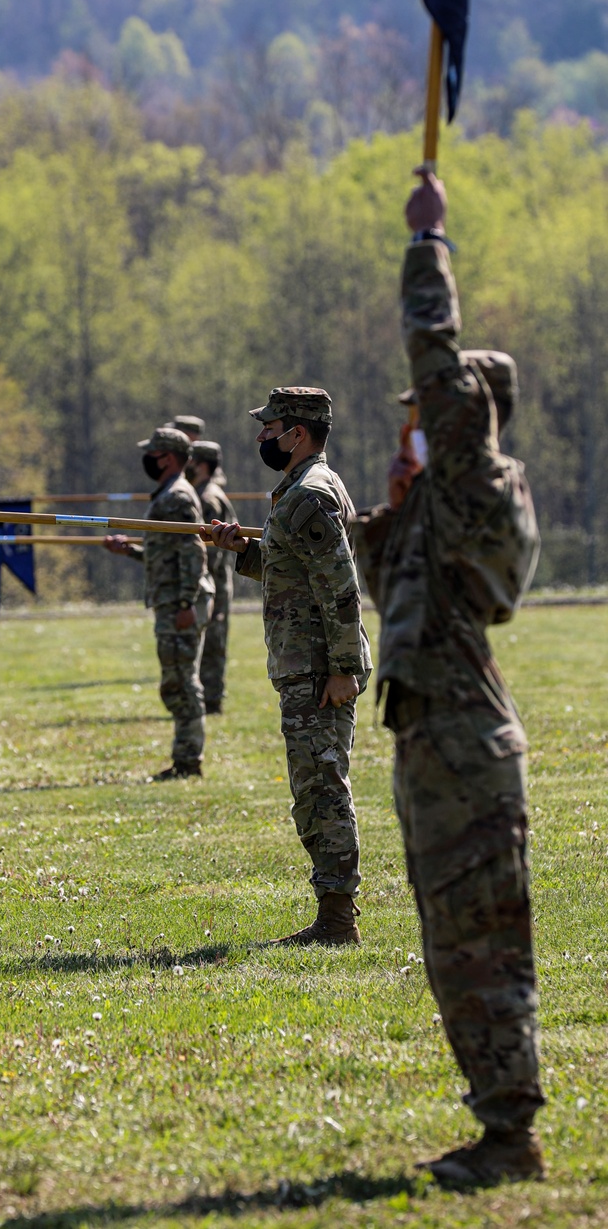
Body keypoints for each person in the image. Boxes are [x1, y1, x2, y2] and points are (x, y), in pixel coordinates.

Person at [353, 170, 544, 1187]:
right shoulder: (441, 501)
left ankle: (512, 1136)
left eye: (423, 414)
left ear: (465, 413)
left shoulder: (475, 476)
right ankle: (496, 1124)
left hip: (465, 745)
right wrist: (391, 514)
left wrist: (428, 247)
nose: (410, 424)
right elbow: (397, 600)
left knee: (482, 950)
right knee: (448, 947)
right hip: (429, 737)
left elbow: (438, 360)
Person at [211, 387, 370, 945]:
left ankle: (336, 921)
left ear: (297, 433)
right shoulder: (299, 490)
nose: (261, 438)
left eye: (269, 427)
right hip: (305, 664)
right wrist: (241, 551)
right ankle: (333, 913)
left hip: (321, 668)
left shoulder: (309, 495)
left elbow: (342, 588)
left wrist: (345, 668)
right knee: (313, 785)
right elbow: (293, 571)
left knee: (321, 787)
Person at [105, 427, 214, 779]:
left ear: (166, 457)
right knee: (175, 681)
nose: (147, 459)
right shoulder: (168, 494)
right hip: (171, 601)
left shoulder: (178, 497)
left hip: (180, 604)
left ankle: (188, 761)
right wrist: (131, 551)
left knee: (182, 682)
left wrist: (186, 602)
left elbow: (192, 552)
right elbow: (165, 555)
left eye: (152, 453)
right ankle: (185, 757)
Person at [188, 440, 237, 714]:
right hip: (215, 581)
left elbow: (209, 551)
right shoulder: (206, 493)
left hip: (212, 582)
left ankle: (211, 700)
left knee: (211, 642)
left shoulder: (207, 498)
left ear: (202, 465)